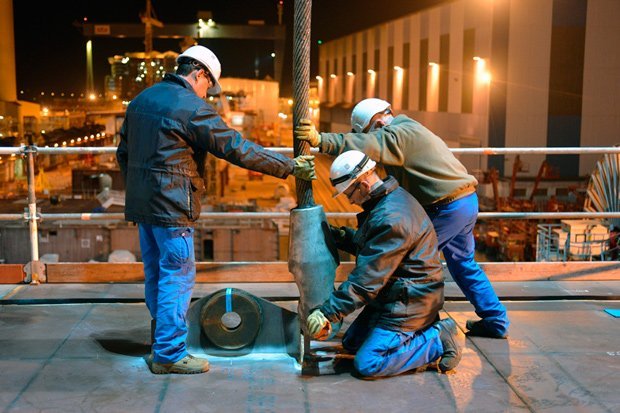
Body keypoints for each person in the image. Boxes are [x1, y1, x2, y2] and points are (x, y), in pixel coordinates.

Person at [116, 45, 316, 375]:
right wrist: (289, 166)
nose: (207, 93)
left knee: (156, 273)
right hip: (172, 207)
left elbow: (123, 153)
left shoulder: (141, 100)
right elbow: (236, 148)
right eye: (209, 86)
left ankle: (162, 342)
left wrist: (140, 189)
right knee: (177, 277)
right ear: (199, 74)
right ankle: (169, 354)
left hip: (143, 206)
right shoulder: (191, 107)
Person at [295, 98, 509, 339]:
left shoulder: (400, 134)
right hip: (463, 203)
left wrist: (322, 141)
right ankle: (495, 319)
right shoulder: (406, 131)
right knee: (463, 264)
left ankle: (427, 330)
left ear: (378, 121)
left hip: (447, 208)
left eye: (367, 132)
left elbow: (372, 144)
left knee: (407, 263)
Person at [306, 150, 461, 378]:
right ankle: (419, 331)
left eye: (349, 193)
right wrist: (336, 236)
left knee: (367, 363)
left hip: (412, 301)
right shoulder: (389, 201)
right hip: (398, 293)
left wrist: (328, 313)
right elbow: (373, 248)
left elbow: (366, 281)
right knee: (352, 342)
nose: (349, 200)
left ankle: (437, 339)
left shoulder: (391, 218)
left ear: (364, 185)